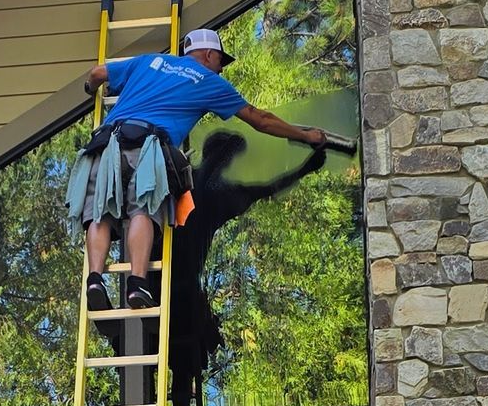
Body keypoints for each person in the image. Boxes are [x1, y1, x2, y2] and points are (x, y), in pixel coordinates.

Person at [66, 25, 329, 316]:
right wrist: (305, 136)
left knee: (101, 212)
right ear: (208, 54)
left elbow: (98, 74)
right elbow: (260, 119)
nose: (221, 69)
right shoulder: (207, 81)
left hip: (106, 145)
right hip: (149, 147)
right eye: (220, 62)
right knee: (143, 209)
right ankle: (137, 283)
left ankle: (94, 280)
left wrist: (90, 91)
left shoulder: (149, 61)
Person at [168, 127, 328, 406]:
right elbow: (268, 188)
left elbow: (264, 189)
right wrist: (306, 169)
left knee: (180, 357)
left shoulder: (184, 178)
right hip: (182, 288)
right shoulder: (219, 193)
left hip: (164, 282)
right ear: (227, 160)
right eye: (231, 158)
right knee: (185, 359)